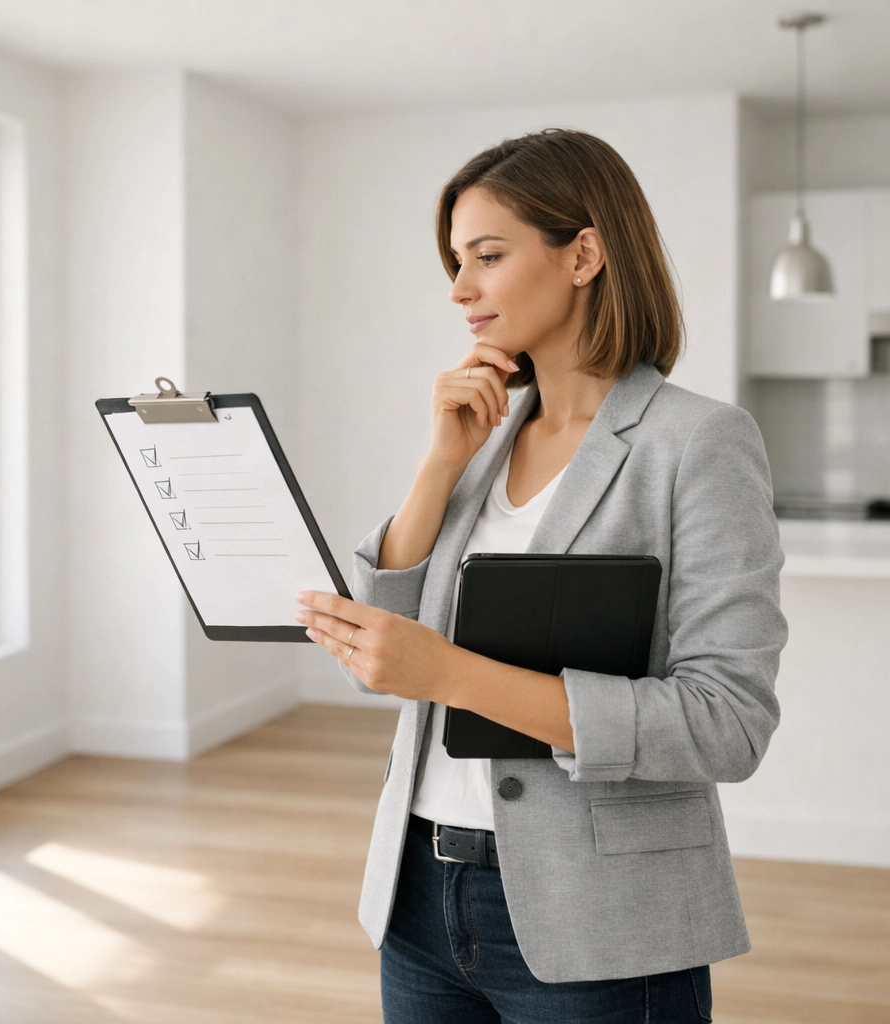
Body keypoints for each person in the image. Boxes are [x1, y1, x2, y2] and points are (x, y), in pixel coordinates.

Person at [294, 128, 787, 1024]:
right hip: (417, 893)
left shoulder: (698, 442)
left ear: (584, 254)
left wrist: (453, 676)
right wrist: (439, 465)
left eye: (488, 255)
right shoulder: (484, 439)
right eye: (455, 260)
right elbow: (381, 639)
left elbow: (728, 723)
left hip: (595, 916)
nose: (460, 289)